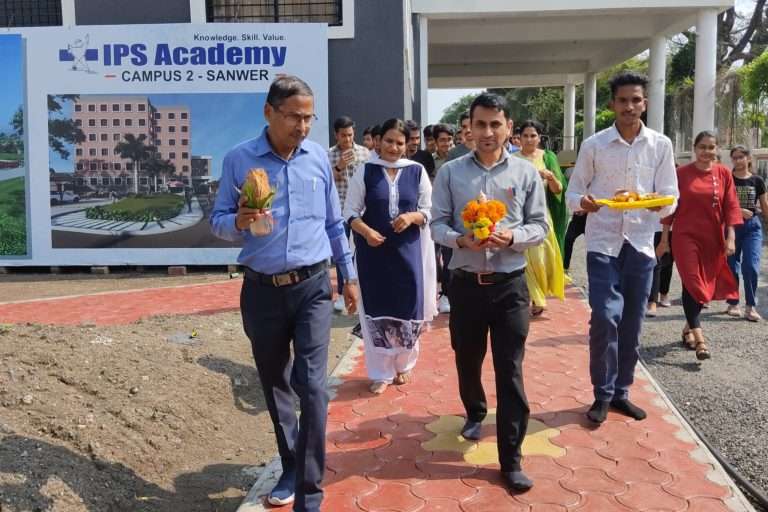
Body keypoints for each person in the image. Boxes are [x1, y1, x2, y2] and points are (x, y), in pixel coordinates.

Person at [210, 76, 359, 512]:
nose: (303, 125)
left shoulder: (316, 159)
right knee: (276, 384)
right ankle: (291, 464)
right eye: (294, 116)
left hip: (313, 286)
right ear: (269, 112)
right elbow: (218, 221)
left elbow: (334, 223)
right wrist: (239, 220)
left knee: (312, 386)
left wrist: (347, 276)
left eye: (309, 117)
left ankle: (309, 495)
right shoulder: (239, 160)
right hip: (261, 291)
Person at [431, 92, 549, 492]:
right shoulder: (450, 173)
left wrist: (511, 236)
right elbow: (436, 225)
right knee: (467, 359)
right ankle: (475, 410)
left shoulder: (525, 173)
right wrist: (461, 240)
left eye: (495, 124)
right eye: (480, 124)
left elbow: (540, 226)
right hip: (464, 286)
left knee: (510, 370)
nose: (487, 132)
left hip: (510, 287)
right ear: (470, 127)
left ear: (508, 128)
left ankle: (511, 458)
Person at [566, 71, 678, 424]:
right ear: (612, 104)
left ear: (644, 103)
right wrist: (585, 202)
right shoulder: (594, 145)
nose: (629, 107)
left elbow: (671, 196)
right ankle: (601, 392)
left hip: (641, 244)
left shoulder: (660, 144)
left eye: (636, 100)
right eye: (623, 100)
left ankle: (622, 392)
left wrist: (657, 204)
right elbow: (572, 194)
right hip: (603, 243)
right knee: (604, 316)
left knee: (632, 320)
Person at [343, 118, 436, 395]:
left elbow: (431, 211)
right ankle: (381, 372)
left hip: (409, 254)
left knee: (408, 308)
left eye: (399, 142)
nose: (393, 147)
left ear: (407, 145)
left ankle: (404, 365)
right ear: (377, 141)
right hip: (373, 256)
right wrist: (367, 232)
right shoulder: (366, 171)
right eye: (388, 141)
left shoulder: (416, 171)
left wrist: (411, 216)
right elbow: (349, 212)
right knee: (376, 310)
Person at [658, 132, 741, 359]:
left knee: (699, 286)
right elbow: (670, 210)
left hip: (712, 239)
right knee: (693, 281)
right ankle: (700, 339)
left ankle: (687, 328)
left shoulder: (723, 173)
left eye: (711, 147)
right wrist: (665, 239)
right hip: (684, 237)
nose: (707, 151)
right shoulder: (681, 174)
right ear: (694, 149)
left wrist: (730, 237)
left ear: (717, 150)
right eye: (702, 147)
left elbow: (730, 206)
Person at [514, 120, 568, 316]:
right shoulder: (512, 160)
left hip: (542, 215)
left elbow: (559, 190)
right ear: (518, 138)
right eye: (525, 136)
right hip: (518, 217)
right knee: (525, 257)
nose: (529, 140)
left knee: (542, 257)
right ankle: (537, 298)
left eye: (533, 135)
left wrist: (550, 177)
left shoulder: (548, 157)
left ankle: (540, 293)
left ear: (539, 138)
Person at [329, 116, 370, 312]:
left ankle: (364, 288)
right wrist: (339, 166)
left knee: (362, 249)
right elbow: (326, 180)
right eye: (343, 136)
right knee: (341, 251)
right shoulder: (328, 155)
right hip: (338, 210)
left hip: (360, 210)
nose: (347, 139)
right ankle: (341, 292)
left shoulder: (364, 152)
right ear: (336, 135)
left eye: (350, 135)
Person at [725, 145, 767, 321]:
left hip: (752, 227)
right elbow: (721, 204)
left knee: (750, 266)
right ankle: (733, 302)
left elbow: (764, 206)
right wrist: (739, 210)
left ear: (748, 158)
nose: (738, 160)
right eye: (734, 157)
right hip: (731, 227)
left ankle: (750, 306)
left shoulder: (757, 180)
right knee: (731, 266)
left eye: (741, 156)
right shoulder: (727, 179)